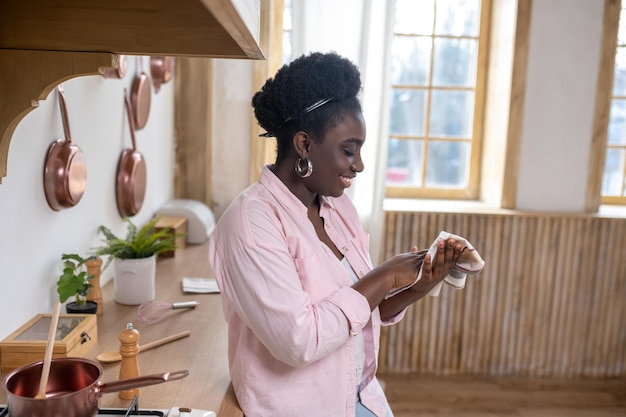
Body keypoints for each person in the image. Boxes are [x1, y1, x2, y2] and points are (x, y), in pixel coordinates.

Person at [208, 51, 462, 417]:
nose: (358, 165)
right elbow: (299, 341)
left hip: (359, 399)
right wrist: (387, 275)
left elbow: (360, 309)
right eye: (349, 151)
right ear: (304, 145)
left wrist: (417, 286)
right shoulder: (251, 223)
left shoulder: (336, 205)